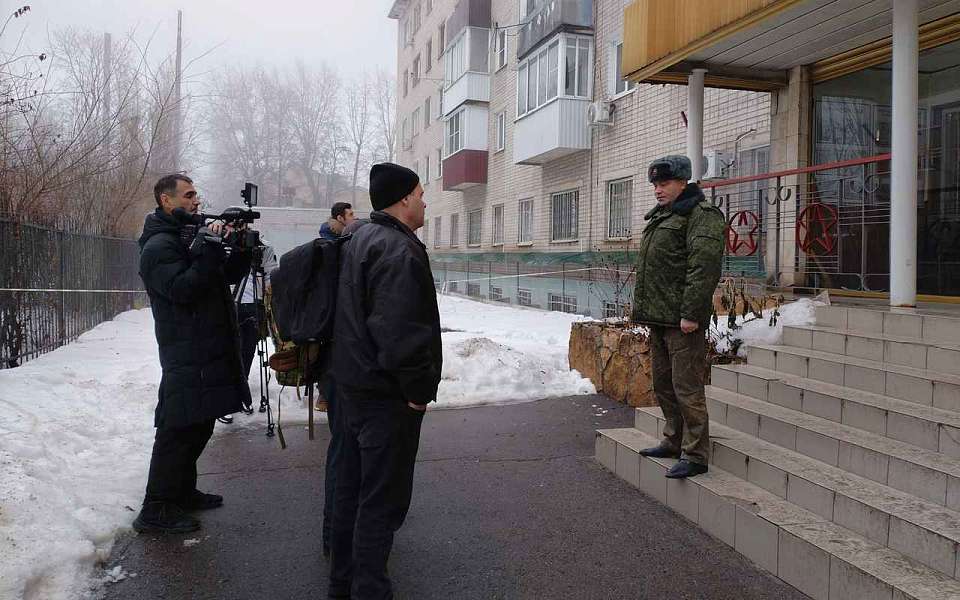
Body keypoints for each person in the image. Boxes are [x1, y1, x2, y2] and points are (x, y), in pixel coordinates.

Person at [328, 163, 441, 599]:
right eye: (421, 193)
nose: (426, 201)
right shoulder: (398, 249)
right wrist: (416, 395)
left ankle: (343, 583)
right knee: (380, 500)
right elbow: (399, 333)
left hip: (353, 388)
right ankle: (369, 590)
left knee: (350, 490)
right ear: (405, 198)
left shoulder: (358, 237)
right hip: (385, 397)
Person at [134, 174, 252, 533]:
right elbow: (184, 289)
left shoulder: (184, 237)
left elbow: (221, 276)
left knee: (199, 421)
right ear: (166, 201)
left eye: (196, 193)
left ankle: (181, 492)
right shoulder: (158, 247)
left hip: (205, 343)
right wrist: (210, 245)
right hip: (184, 347)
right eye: (188, 195)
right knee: (178, 427)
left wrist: (242, 247)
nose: (196, 200)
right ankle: (155, 507)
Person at [632, 155, 725, 479]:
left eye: (664, 183)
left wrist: (691, 313)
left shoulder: (701, 215)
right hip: (659, 316)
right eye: (655, 184)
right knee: (664, 384)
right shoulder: (663, 215)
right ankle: (673, 440)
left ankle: (696, 454)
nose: (658, 190)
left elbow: (704, 267)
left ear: (683, 181)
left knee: (687, 387)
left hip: (682, 320)